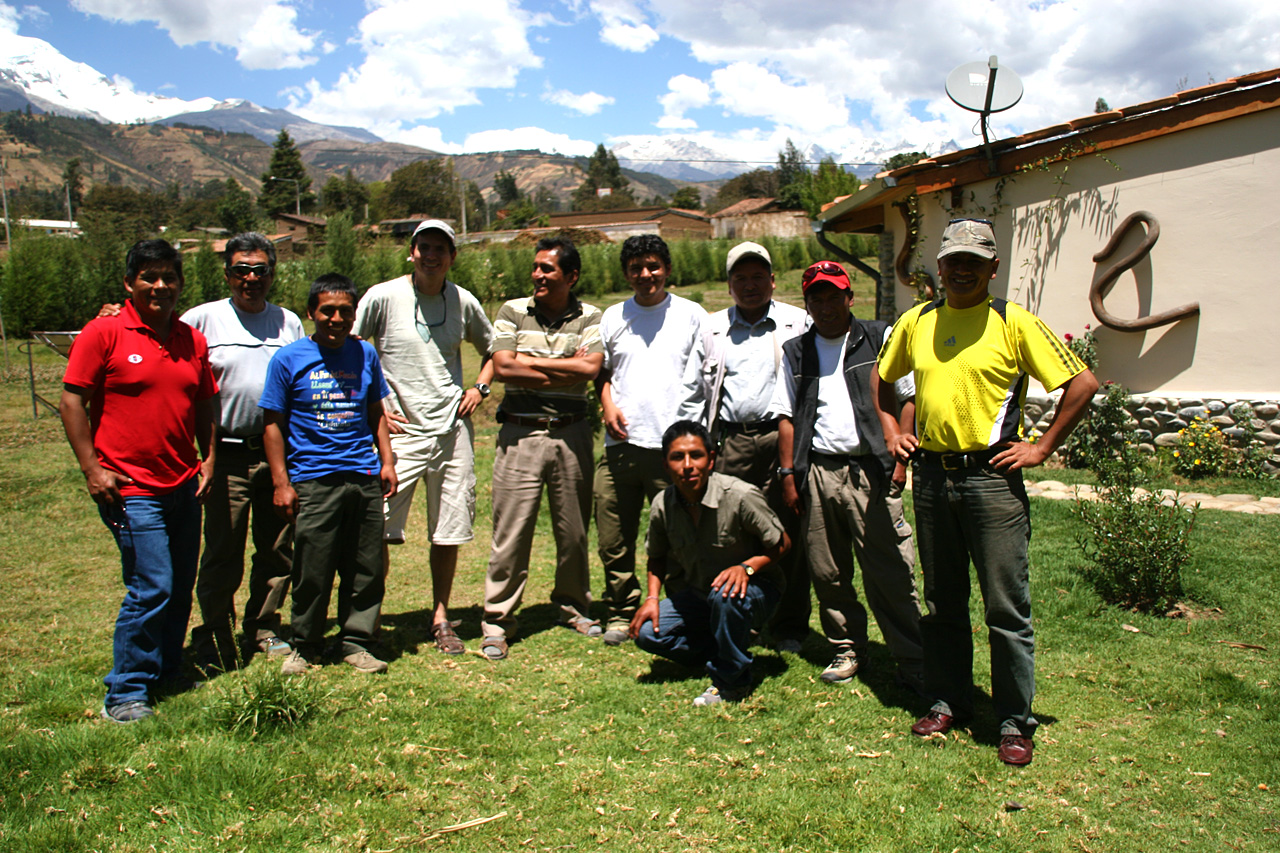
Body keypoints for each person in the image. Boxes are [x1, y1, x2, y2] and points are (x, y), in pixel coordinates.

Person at [875, 218, 1099, 766]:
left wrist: (1041, 448)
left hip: (991, 480)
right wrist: (893, 433)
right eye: (954, 260)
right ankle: (949, 700)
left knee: (1005, 607)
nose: (963, 270)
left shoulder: (1013, 322)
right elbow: (883, 381)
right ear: (940, 268)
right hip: (930, 478)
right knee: (942, 602)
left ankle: (1013, 721)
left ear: (993, 268)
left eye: (975, 261)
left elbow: (1083, 383)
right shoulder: (916, 321)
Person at [60, 239, 217, 723]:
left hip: (183, 483)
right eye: (149, 276)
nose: (161, 286)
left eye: (169, 277)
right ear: (130, 284)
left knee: (179, 583)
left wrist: (208, 459)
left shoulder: (191, 339)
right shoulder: (103, 333)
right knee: (152, 585)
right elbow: (72, 402)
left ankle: (167, 668)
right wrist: (92, 468)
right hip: (129, 485)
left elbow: (205, 403)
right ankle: (126, 691)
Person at [774, 261, 925, 689]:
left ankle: (912, 657)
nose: (826, 305)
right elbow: (786, 415)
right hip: (818, 470)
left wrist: (900, 457)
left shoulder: (879, 338)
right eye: (816, 298)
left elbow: (908, 398)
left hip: (870, 469)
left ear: (849, 297)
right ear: (807, 304)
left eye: (833, 295)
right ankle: (846, 648)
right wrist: (789, 475)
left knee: (890, 569)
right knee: (828, 571)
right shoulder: (794, 351)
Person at [354, 219, 495, 655]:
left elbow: (493, 351)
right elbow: (353, 350)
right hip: (399, 432)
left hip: (452, 432)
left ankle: (440, 617)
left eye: (441, 249)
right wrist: (374, 406)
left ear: (452, 256)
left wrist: (479, 388)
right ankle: (368, 620)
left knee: (448, 531)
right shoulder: (383, 296)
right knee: (377, 527)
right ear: (411, 253)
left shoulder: (463, 301)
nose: (432, 255)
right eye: (424, 247)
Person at [261, 273, 398, 675]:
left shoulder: (365, 354)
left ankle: (356, 641)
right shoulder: (289, 359)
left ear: (354, 315)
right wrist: (281, 483)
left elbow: (376, 411)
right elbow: (273, 422)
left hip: (362, 473)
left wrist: (386, 461)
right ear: (311, 313)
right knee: (313, 567)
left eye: (344, 311)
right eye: (327, 311)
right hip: (313, 478)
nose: (336, 319)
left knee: (365, 566)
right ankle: (306, 645)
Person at [680, 241, 811, 652]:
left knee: (790, 530)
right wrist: (697, 444)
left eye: (758, 277)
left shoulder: (798, 322)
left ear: (773, 281)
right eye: (741, 278)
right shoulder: (713, 328)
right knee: (735, 531)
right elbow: (693, 390)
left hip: (784, 439)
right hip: (732, 440)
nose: (750, 285)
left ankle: (790, 624)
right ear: (730, 284)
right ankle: (743, 618)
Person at [184, 233, 304, 669]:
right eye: (241, 270)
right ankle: (214, 633)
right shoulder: (202, 320)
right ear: (228, 273)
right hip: (225, 455)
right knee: (222, 549)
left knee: (277, 548)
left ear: (272, 273)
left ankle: (264, 627)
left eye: (259, 270)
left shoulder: (288, 323)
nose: (250, 278)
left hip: (277, 455)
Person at [480, 237, 605, 660]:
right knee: (511, 534)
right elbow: (502, 365)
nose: (537, 275)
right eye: (536, 268)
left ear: (571, 277)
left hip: (571, 434)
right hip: (520, 434)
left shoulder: (591, 316)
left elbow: (590, 368)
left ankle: (573, 606)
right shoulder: (513, 311)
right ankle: (497, 620)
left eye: (548, 269)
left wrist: (532, 365)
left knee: (574, 532)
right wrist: (565, 371)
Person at [595, 234, 706, 645]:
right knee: (613, 535)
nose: (646, 275)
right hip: (621, 444)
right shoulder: (613, 317)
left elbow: (707, 376)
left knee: (676, 536)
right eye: (636, 268)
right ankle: (622, 609)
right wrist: (607, 405)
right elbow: (601, 373)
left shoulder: (692, 315)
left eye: (653, 266)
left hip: (672, 450)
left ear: (668, 269)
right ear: (626, 274)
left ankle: (677, 607)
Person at [630, 420, 789, 705]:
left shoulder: (740, 495)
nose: (688, 465)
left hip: (755, 590)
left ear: (711, 459)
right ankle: (724, 649)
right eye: (677, 457)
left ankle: (732, 682)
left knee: (726, 595)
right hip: (699, 594)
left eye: (696, 455)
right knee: (646, 633)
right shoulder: (662, 504)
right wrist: (652, 597)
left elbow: (781, 543)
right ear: (666, 465)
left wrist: (746, 568)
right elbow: (656, 555)